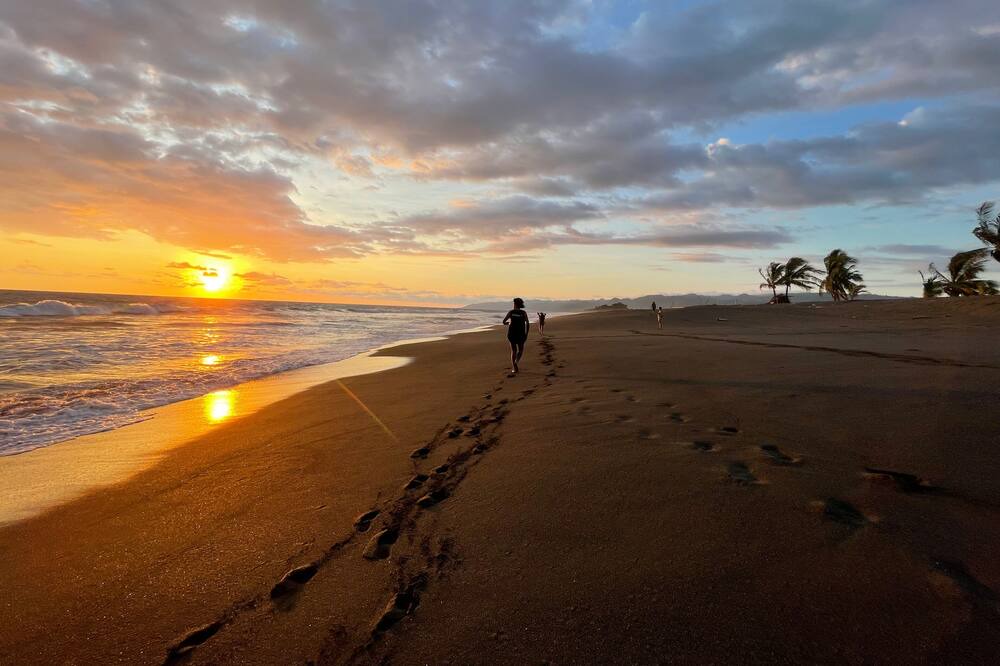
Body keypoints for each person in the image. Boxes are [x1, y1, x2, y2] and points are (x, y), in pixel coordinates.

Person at [502, 298, 530, 375]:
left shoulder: (511, 312)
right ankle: (516, 362)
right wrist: (526, 333)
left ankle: (514, 367)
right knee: (520, 350)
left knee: (513, 350)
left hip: (511, 333)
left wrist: (509, 323)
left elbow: (504, 322)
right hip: (521, 334)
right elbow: (527, 323)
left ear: (515, 304)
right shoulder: (523, 313)